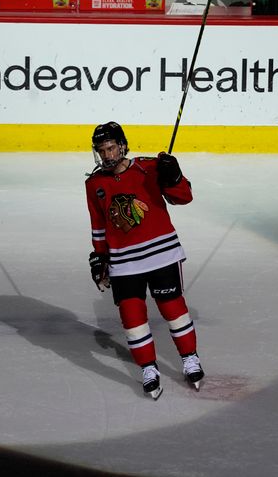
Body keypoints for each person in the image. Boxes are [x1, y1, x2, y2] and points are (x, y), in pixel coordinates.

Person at [84, 122, 203, 400]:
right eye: (102, 151)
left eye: (111, 148)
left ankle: (190, 359)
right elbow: (98, 224)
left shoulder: (150, 167)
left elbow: (184, 197)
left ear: (123, 145)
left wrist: (174, 177)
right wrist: (100, 256)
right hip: (124, 262)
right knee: (132, 319)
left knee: (173, 310)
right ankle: (149, 368)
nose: (107, 155)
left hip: (162, 254)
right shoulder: (94, 184)